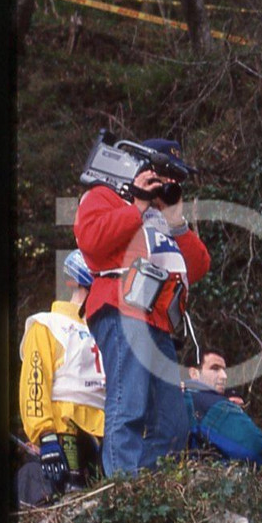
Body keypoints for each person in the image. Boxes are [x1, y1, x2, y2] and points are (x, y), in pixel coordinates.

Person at [74, 135, 210, 477]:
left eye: (176, 180)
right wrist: (137, 203)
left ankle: (143, 490)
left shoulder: (167, 219)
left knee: (174, 425)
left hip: (160, 323)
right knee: (128, 403)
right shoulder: (106, 194)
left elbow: (197, 267)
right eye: (166, 175)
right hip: (122, 308)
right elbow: (91, 241)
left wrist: (176, 220)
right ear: (144, 169)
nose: (172, 184)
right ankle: (121, 490)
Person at [16, 249, 106, 507]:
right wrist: (45, 435)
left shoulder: (110, 331)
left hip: (105, 436)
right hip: (63, 430)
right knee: (37, 481)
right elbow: (35, 382)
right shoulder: (48, 324)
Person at [183, 348, 262, 465]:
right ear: (194, 373)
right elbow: (255, 447)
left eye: (224, 370)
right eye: (215, 369)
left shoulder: (176, 397)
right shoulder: (213, 404)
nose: (224, 376)